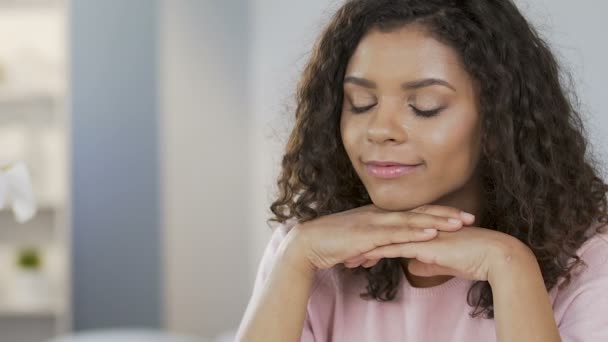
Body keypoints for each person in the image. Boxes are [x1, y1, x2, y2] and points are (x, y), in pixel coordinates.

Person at [236, 0, 608, 341]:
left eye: (425, 106)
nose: (380, 130)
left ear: (499, 122)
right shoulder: (307, 248)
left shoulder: (590, 260)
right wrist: (296, 258)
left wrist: (510, 267)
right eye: (361, 103)